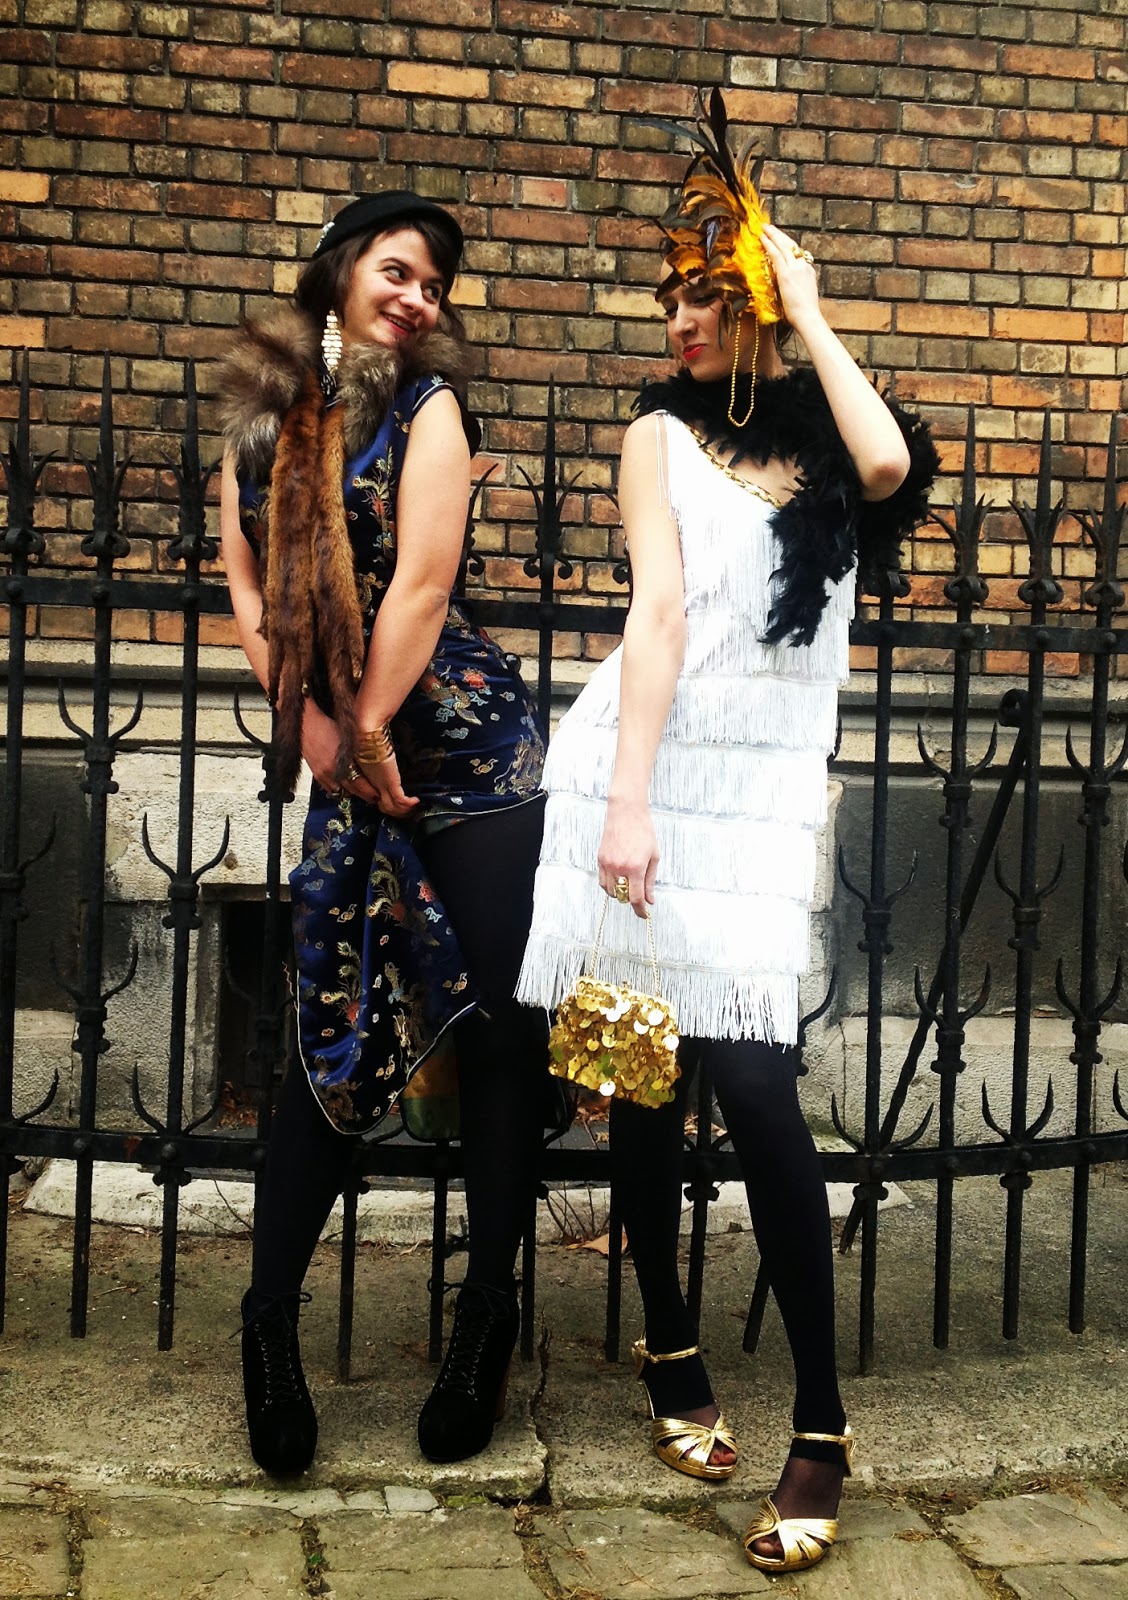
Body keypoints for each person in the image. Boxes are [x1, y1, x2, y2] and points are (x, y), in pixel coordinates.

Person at [517, 94, 937, 1573]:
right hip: (635, 784)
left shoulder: (828, 444)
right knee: (640, 1081)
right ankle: (672, 1349)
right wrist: (629, 804)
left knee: (758, 1093)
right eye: (669, 298)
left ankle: (822, 1425)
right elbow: (658, 618)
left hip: (755, 805)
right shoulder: (654, 431)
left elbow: (888, 469)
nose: (679, 319)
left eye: (704, 294)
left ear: (753, 299)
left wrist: (808, 308)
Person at [218, 191, 553, 1476]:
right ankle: (267, 1327)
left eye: (434, 285)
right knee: (325, 1037)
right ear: (342, 270)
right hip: (349, 752)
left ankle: (485, 1323)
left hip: (465, 757)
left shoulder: (429, 409)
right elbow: (248, 584)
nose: (418, 298)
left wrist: (361, 726)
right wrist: (311, 721)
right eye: (399, 271)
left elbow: (422, 580)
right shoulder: (263, 417)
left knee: (498, 1040)